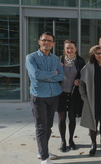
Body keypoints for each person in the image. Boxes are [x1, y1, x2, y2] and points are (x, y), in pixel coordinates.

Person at [26, 32, 64, 164]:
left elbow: (61, 76)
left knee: (48, 127)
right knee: (41, 127)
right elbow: (36, 75)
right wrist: (53, 74)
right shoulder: (31, 58)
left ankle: (43, 151)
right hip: (39, 97)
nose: (46, 43)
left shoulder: (55, 59)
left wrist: (47, 75)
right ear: (39, 42)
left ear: (53, 44)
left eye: (49, 41)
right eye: (44, 40)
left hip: (54, 96)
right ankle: (44, 158)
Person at [57, 40, 86, 152]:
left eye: (72, 48)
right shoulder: (59, 60)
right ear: (64, 49)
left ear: (76, 49)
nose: (69, 50)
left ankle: (71, 140)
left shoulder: (80, 61)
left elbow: (84, 76)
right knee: (61, 118)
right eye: (67, 48)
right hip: (61, 94)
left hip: (74, 94)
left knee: (72, 118)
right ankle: (63, 141)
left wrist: (79, 80)